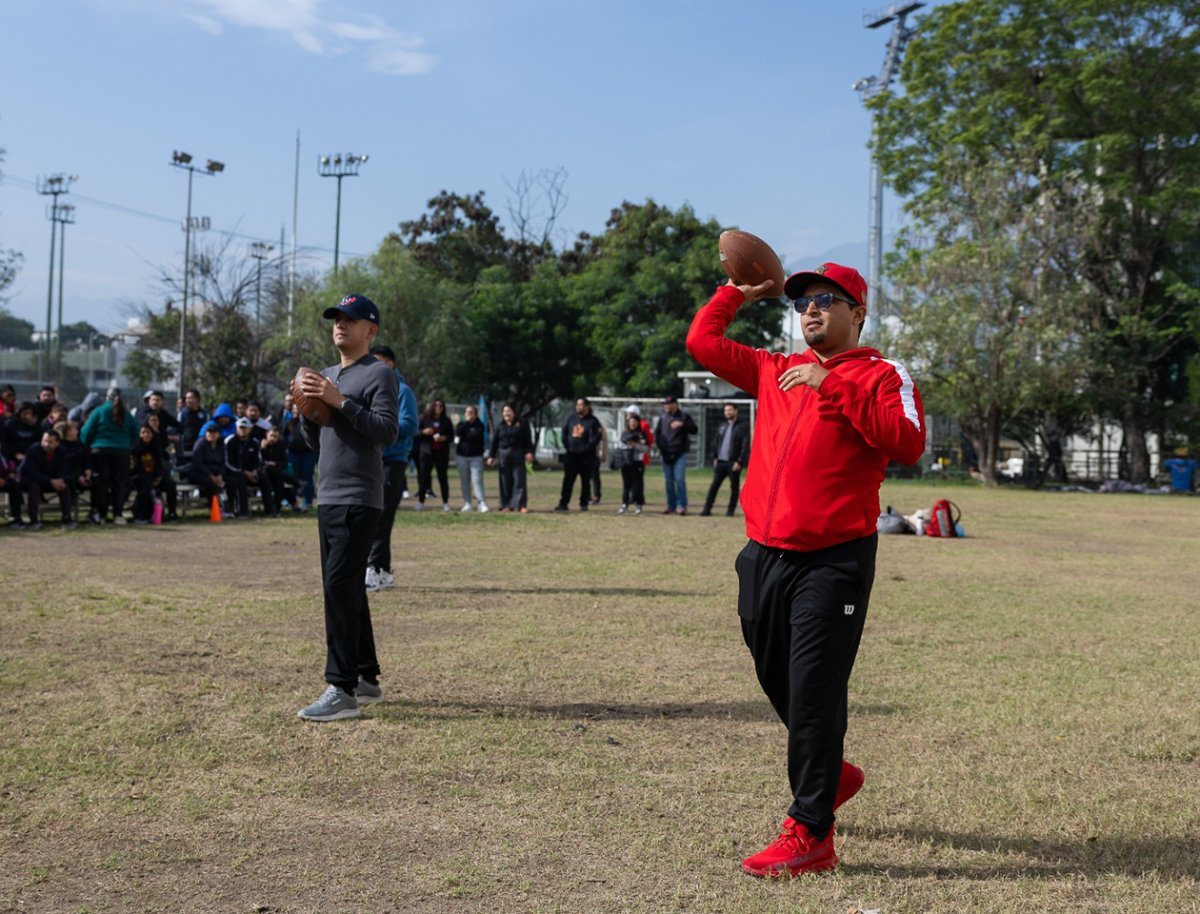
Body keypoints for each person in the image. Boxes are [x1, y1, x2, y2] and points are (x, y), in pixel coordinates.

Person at [686, 262, 925, 877]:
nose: (811, 310)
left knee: (815, 690)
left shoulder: (881, 374)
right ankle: (832, 769)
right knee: (779, 678)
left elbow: (907, 442)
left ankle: (811, 832)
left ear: (858, 312)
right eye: (802, 303)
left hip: (834, 559)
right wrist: (733, 294)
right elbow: (702, 344)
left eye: (826, 299)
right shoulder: (772, 369)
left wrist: (829, 384)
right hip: (763, 554)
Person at [295, 293, 399, 722]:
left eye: (350, 319)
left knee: (338, 589)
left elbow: (387, 431)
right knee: (348, 587)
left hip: (360, 497)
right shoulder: (327, 374)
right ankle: (366, 677)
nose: (340, 324)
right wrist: (305, 410)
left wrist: (339, 401)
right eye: (336, 318)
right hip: (330, 494)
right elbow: (315, 441)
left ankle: (341, 689)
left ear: (370, 329)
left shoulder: (379, 374)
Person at [365, 344, 419, 592]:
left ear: (392, 364)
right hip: (372, 460)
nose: (376, 366)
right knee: (378, 516)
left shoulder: (403, 392)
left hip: (393, 461)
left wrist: (381, 427)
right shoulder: (371, 388)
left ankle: (373, 569)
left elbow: (409, 424)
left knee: (380, 517)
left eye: (381, 361)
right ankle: (384, 571)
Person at [80, 387, 138, 524]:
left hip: (100, 450)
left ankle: (101, 515)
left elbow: (86, 431)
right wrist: (127, 445)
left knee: (101, 483)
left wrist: (87, 445)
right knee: (119, 483)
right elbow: (135, 432)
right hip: (122, 451)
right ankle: (118, 514)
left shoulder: (99, 411)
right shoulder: (126, 413)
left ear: (106, 397)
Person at [700, 403, 751, 517]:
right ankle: (707, 508)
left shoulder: (742, 427)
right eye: (726, 410)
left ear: (736, 411)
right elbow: (716, 442)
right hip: (721, 461)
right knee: (714, 485)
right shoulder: (722, 426)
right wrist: (714, 457)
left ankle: (730, 510)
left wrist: (740, 461)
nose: (727, 412)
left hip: (733, 462)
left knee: (734, 487)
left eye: (730, 410)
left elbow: (745, 445)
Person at [17, 429, 73, 529]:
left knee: (64, 486)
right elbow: (31, 472)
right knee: (34, 487)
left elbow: (64, 469)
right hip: (31, 480)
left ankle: (67, 518)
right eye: (45, 441)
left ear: (57, 443)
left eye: (50, 442)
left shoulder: (62, 451)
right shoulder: (33, 450)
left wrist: (60, 480)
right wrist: (50, 481)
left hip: (51, 480)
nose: (46, 444)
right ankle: (34, 520)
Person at [555, 397, 603, 512]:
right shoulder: (571, 419)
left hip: (587, 457)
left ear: (587, 407)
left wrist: (586, 448)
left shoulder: (593, 421)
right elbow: (564, 433)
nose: (578, 407)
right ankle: (563, 503)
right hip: (571, 455)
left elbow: (597, 437)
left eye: (581, 405)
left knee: (585, 480)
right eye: (577, 405)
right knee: (568, 480)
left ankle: (584, 503)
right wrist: (567, 446)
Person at [654, 395, 698, 515]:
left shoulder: (684, 416)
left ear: (675, 404)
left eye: (668, 404)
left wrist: (683, 424)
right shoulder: (663, 418)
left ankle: (681, 505)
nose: (666, 406)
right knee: (668, 481)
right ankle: (671, 505)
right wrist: (660, 446)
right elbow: (657, 434)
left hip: (679, 454)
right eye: (665, 404)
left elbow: (695, 430)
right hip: (666, 454)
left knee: (679, 479)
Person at [487, 403, 534, 513]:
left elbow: (528, 440)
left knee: (519, 480)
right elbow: (494, 442)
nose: (506, 413)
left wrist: (529, 452)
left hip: (518, 453)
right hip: (503, 455)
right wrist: (491, 456)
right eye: (504, 411)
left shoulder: (522, 424)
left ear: (514, 412)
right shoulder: (500, 426)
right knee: (505, 481)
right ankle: (506, 505)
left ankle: (521, 505)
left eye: (509, 411)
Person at [415, 398, 453, 512]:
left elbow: (451, 436)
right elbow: (415, 433)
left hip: (441, 453)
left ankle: (445, 503)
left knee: (443, 478)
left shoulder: (446, 421)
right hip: (426, 452)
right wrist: (423, 432)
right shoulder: (424, 419)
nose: (438, 408)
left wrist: (444, 438)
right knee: (424, 477)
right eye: (436, 405)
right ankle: (421, 502)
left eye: (440, 406)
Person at [129, 423, 169, 524]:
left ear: (152, 434)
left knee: (170, 484)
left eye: (148, 432)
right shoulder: (134, 448)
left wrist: (159, 477)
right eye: (143, 432)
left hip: (153, 477)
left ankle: (172, 513)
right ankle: (140, 516)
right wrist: (150, 478)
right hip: (137, 477)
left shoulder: (156, 448)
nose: (146, 435)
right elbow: (133, 468)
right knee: (146, 486)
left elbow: (160, 466)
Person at [455, 404, 489, 513]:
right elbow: (457, 432)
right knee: (464, 481)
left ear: (475, 414)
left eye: (471, 412)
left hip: (476, 457)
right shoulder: (461, 424)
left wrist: (465, 435)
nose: (469, 414)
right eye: (467, 412)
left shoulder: (480, 425)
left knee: (477, 480)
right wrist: (466, 424)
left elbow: (475, 436)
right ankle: (467, 503)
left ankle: (481, 503)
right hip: (462, 457)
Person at [188, 421, 227, 509]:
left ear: (219, 434)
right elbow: (198, 464)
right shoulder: (200, 444)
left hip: (216, 473)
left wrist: (220, 474)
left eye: (214, 432)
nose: (211, 434)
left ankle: (230, 508)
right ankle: (214, 508)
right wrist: (210, 475)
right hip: (199, 473)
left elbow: (223, 463)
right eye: (209, 432)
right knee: (210, 483)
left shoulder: (221, 445)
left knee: (231, 481)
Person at [616, 412, 649, 515]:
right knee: (626, 484)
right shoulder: (625, 433)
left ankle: (639, 505)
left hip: (637, 462)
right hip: (626, 461)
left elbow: (645, 448)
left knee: (637, 485)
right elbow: (620, 446)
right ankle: (624, 504)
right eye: (631, 421)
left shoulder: (641, 434)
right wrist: (627, 446)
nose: (632, 423)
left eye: (635, 421)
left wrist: (635, 445)